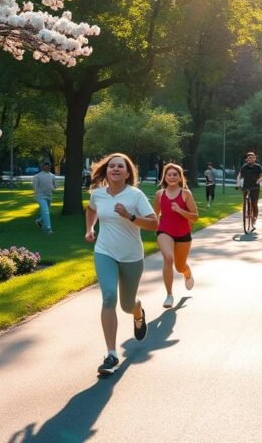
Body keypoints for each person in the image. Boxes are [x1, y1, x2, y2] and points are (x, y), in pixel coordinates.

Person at [85, 153, 159, 376]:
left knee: (126, 305)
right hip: (104, 251)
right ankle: (111, 354)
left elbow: (154, 223)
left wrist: (130, 216)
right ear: (106, 171)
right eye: (111, 166)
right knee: (109, 297)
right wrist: (90, 229)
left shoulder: (135, 196)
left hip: (131, 256)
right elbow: (91, 211)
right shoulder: (97, 195)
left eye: (120, 166)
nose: (115, 169)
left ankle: (137, 312)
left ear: (128, 173)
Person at [154, 163, 199, 309]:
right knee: (168, 258)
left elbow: (195, 217)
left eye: (175, 174)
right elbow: (155, 215)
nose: (172, 177)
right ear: (164, 177)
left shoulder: (186, 194)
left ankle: (187, 272)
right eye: (169, 174)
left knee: (179, 267)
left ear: (180, 177)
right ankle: (169, 295)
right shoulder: (159, 194)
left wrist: (180, 210)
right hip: (164, 231)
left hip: (183, 233)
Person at [236, 151, 262, 223]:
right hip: (246, 187)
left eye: (252, 158)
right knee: (246, 201)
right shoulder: (244, 167)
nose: (250, 159)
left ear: (255, 159)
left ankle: (254, 217)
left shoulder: (258, 167)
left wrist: (258, 180)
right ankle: (248, 213)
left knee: (254, 203)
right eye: (249, 158)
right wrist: (238, 184)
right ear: (247, 159)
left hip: (255, 187)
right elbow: (239, 176)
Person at [32, 161, 58, 234]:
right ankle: (48, 229)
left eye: (48, 166)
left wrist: (54, 189)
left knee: (45, 212)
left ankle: (39, 221)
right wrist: (35, 195)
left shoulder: (52, 176)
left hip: (49, 196)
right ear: (42, 167)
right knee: (45, 211)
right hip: (40, 196)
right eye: (45, 166)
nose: (47, 167)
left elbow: (53, 186)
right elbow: (35, 187)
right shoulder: (37, 176)